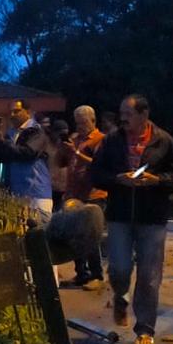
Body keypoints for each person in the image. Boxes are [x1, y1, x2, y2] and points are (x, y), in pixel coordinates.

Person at [91, 94, 173, 344]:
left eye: (129, 114)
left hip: (152, 218)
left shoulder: (164, 141)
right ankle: (120, 296)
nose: (123, 118)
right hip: (120, 215)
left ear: (144, 115)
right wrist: (116, 179)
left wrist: (158, 180)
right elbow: (96, 173)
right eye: (121, 113)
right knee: (119, 268)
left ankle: (145, 328)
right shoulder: (112, 141)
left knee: (149, 275)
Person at [62, 105, 107, 290]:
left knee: (90, 235)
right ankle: (81, 273)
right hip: (74, 194)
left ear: (93, 121)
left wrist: (76, 153)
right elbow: (62, 162)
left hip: (93, 194)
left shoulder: (100, 139)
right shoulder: (75, 139)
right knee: (74, 234)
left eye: (83, 123)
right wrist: (64, 150)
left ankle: (96, 275)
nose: (80, 127)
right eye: (77, 123)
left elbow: (99, 164)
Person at [0, 100, 53, 220]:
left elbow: (27, 153)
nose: (12, 115)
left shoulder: (36, 131)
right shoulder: (11, 134)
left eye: (17, 111)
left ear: (28, 112)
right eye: (10, 112)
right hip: (17, 193)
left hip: (35, 193)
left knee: (39, 228)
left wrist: (2, 140)